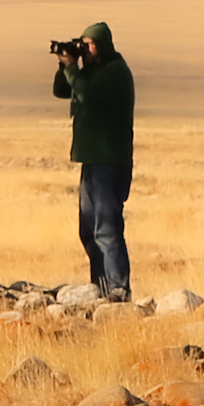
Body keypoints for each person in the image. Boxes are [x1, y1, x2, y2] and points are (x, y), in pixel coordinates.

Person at [52, 20, 134, 301]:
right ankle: (100, 289)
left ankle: (118, 290)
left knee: (107, 230)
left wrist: (74, 68)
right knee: (89, 230)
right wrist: (66, 64)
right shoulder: (93, 72)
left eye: (88, 46)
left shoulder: (115, 73)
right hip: (92, 160)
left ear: (102, 46)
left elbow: (88, 95)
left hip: (109, 162)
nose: (83, 51)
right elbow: (61, 90)